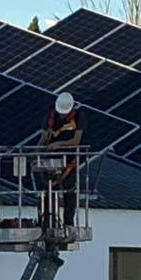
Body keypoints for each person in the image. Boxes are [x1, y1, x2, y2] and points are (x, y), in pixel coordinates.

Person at [38, 92, 86, 227]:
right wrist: (37, 151)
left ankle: (68, 224)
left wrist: (58, 144)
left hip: (69, 160)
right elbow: (43, 138)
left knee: (69, 192)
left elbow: (76, 140)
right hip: (51, 159)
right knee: (48, 191)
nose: (63, 115)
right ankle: (47, 222)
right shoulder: (50, 117)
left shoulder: (79, 117)